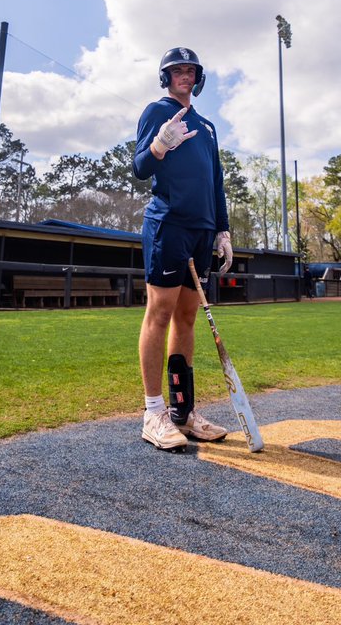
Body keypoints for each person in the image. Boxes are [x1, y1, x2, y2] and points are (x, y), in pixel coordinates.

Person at [133, 47, 233, 450]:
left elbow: (216, 182)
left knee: (187, 317)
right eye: (177, 70)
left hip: (202, 230)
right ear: (166, 77)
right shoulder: (157, 112)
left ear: (198, 77)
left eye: (190, 70)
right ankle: (153, 412)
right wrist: (160, 144)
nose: (185, 76)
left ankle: (182, 411)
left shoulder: (207, 126)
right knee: (160, 313)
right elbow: (140, 167)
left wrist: (223, 230)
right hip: (169, 224)